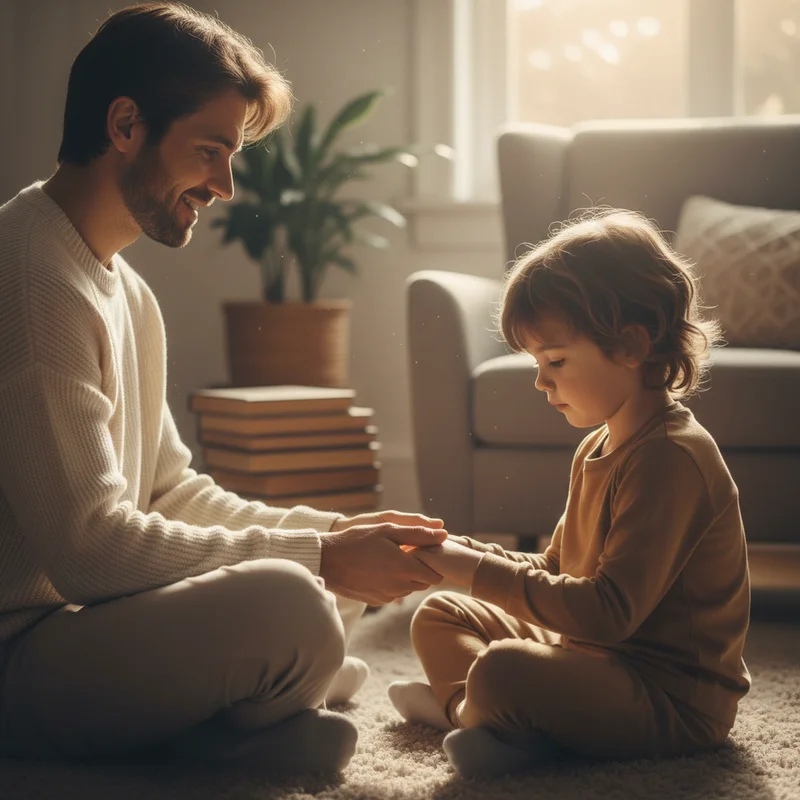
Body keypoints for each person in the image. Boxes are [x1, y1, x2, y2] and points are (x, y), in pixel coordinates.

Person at [0, 1, 448, 774]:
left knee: (314, 585)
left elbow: (171, 493)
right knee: (295, 603)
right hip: (22, 653)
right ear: (125, 125)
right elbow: (89, 550)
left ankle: (234, 723)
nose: (226, 185)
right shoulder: (33, 277)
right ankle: (240, 719)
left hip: (85, 623)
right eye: (210, 150)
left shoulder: (126, 290)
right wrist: (319, 559)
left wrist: (337, 536)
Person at [388, 209, 751, 778]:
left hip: (670, 700)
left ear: (632, 345)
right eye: (536, 362)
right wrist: (460, 555)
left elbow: (606, 614)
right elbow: (559, 567)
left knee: (502, 669)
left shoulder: (670, 459)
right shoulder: (600, 445)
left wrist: (473, 568)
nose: (540, 381)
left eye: (554, 360)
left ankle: (470, 711)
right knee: (439, 612)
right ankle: (484, 718)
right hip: (588, 653)